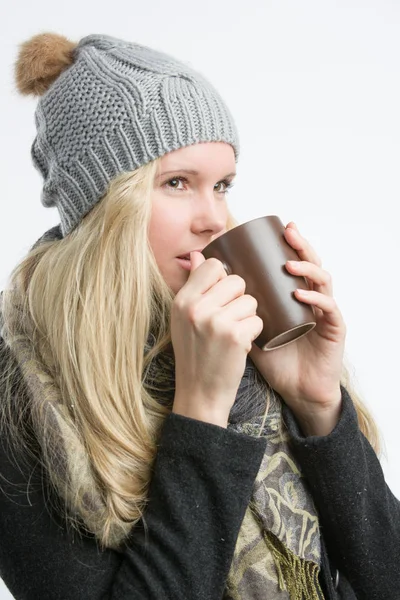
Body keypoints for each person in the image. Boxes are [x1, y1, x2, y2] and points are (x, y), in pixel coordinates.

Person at [0, 31, 398, 600]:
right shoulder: (19, 400)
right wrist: (203, 410)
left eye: (223, 185)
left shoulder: (253, 335)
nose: (215, 218)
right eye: (177, 183)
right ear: (105, 204)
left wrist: (319, 406)